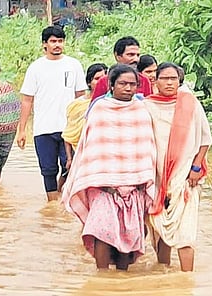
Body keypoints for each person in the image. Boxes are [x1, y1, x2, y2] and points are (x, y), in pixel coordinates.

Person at [62, 64, 156, 271]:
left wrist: (141, 180)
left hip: (134, 185)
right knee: (102, 231)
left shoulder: (142, 110)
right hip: (102, 184)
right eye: (123, 83)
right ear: (111, 85)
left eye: (133, 84)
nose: (128, 88)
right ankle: (102, 277)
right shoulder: (99, 110)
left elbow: (146, 146)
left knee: (128, 233)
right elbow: (92, 146)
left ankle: (121, 279)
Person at [144, 62, 212, 272]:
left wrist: (196, 167)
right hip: (157, 177)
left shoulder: (190, 104)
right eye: (164, 78)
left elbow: (204, 139)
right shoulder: (147, 105)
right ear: (154, 81)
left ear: (179, 81)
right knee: (160, 226)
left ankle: (186, 280)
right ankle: (163, 271)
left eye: (173, 78)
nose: (169, 82)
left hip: (185, 177)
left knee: (186, 231)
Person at [17, 25, 87, 202]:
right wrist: (22, 130)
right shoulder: (36, 68)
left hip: (69, 129)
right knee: (48, 170)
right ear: (44, 44)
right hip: (43, 127)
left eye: (60, 41)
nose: (57, 45)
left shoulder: (74, 65)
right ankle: (52, 204)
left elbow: (81, 97)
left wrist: (82, 126)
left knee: (70, 166)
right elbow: (27, 100)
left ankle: (62, 196)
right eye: (53, 41)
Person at [61, 62, 108, 173]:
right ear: (89, 82)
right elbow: (69, 134)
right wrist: (69, 158)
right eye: (97, 79)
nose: (102, 82)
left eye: (105, 78)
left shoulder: (110, 103)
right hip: (78, 152)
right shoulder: (76, 105)